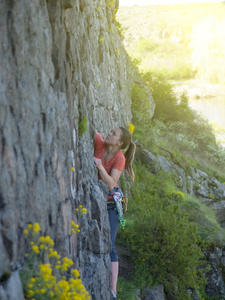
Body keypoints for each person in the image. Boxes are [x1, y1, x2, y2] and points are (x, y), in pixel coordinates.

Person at [94, 127, 136, 299]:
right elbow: (92, 131)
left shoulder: (119, 158)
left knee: (110, 244)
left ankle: (113, 290)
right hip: (98, 198)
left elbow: (111, 183)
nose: (109, 134)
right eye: (110, 131)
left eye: (113, 134)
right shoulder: (101, 143)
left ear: (120, 143)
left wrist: (99, 166)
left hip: (112, 203)